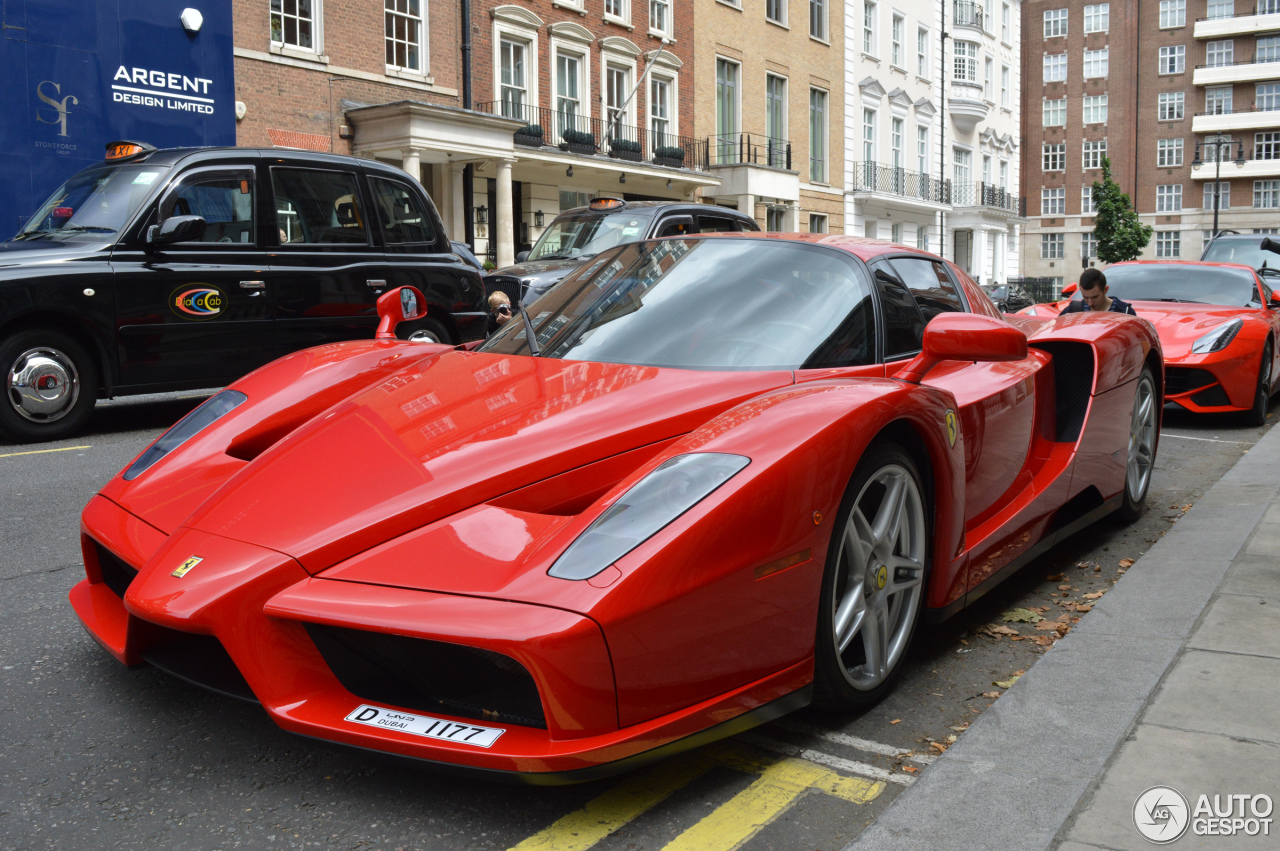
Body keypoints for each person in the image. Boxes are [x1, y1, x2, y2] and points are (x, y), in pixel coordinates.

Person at [1060, 268, 1136, 315]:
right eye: (1085, 297)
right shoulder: (1072, 312)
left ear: (1105, 290)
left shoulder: (1125, 312)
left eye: (1095, 297)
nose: (1090, 303)